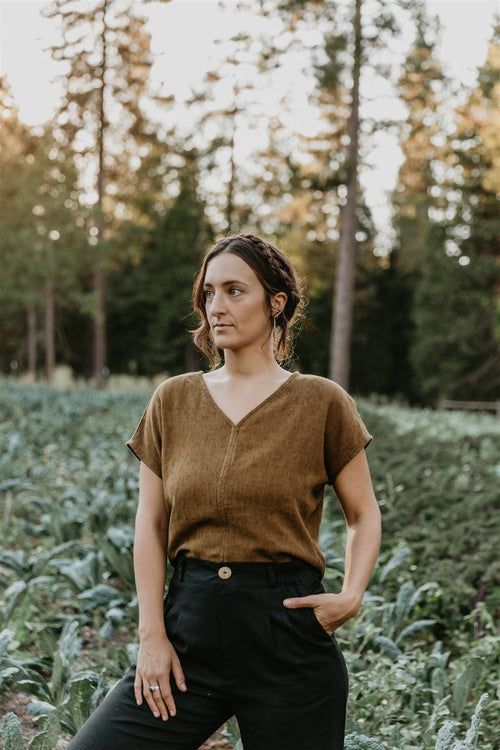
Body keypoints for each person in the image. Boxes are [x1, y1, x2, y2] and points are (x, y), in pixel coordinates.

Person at [67, 233, 381, 750]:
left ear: (275, 303)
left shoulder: (322, 402)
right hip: (189, 634)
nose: (217, 307)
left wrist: (351, 595)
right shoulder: (173, 399)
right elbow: (150, 524)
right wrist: (152, 637)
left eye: (235, 291)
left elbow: (363, 514)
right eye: (209, 293)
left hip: (287, 641)